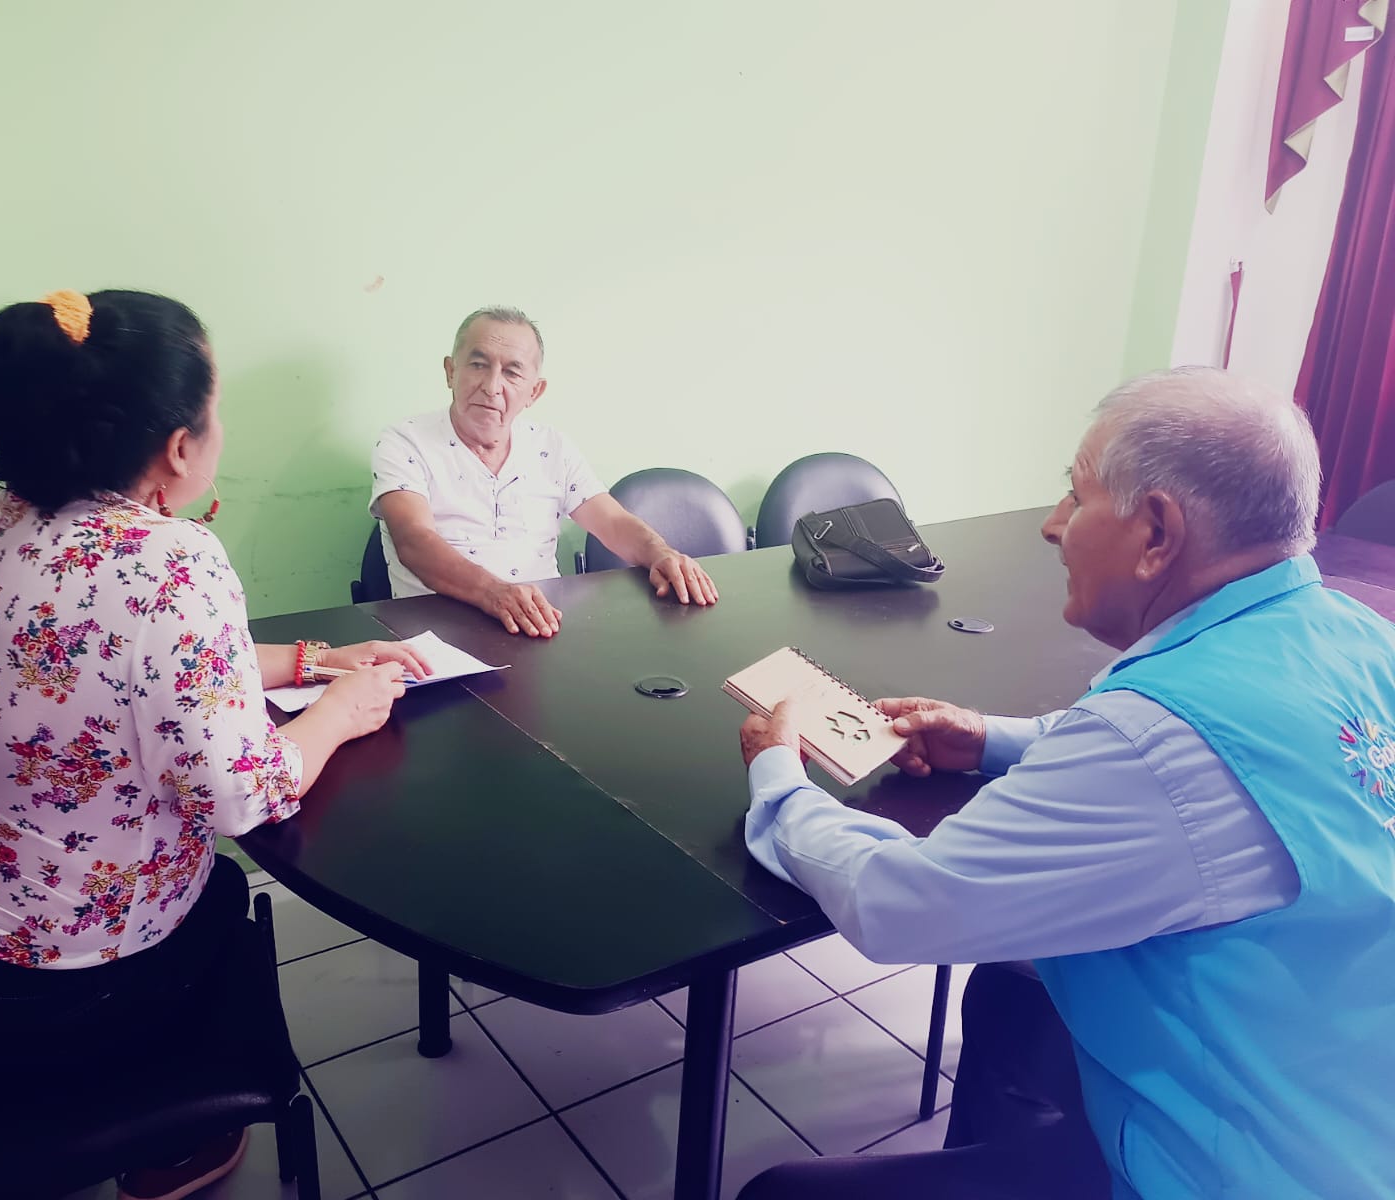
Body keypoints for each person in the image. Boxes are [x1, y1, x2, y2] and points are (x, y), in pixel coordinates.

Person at [736, 367, 1395, 1200]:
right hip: (1354, 1115)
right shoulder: (1356, 636)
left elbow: (902, 901)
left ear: (1156, 533)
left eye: (1076, 497)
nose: (1053, 525)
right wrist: (988, 740)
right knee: (1013, 995)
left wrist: (778, 776)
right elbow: (1206, 757)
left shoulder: (1150, 746)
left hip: (1242, 1176)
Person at [0, 289, 424, 1200]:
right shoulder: (171, 564)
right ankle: (170, 1143)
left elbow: (117, 665)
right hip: (60, 992)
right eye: (218, 408)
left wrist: (313, 659)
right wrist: (344, 707)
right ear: (178, 446)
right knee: (220, 898)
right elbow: (243, 796)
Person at [370, 306, 719, 635]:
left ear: (534, 392)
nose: (491, 386)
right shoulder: (405, 441)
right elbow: (414, 541)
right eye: (478, 364)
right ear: (450, 371)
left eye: (512, 372)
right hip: (433, 639)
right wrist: (495, 594)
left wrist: (661, 554)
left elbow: (612, 521)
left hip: (538, 627)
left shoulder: (551, 445)